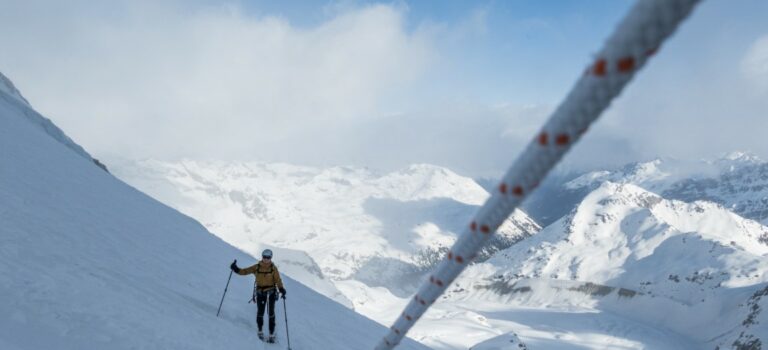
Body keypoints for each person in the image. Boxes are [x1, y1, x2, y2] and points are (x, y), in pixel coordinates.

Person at [231, 249, 287, 343]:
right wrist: (236, 269)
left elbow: (278, 280)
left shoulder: (273, 268)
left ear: (271, 258)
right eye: (264, 257)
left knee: (271, 313)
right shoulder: (256, 267)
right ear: (262, 257)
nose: (266, 259)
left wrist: (281, 289)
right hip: (261, 292)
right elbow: (245, 271)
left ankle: (271, 334)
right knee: (260, 312)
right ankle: (260, 331)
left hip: (271, 292)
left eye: (268, 257)